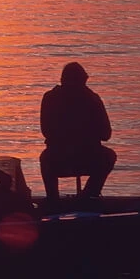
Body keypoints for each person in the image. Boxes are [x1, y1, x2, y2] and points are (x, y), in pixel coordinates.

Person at [39, 62, 117, 201]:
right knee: (109, 156)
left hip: (58, 159)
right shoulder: (92, 98)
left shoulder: (49, 98)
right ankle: (88, 196)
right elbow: (106, 134)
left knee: (45, 158)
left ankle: (53, 200)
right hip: (87, 158)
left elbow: (45, 131)